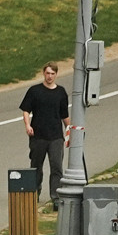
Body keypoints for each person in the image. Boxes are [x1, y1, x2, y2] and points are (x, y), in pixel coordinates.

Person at [17, 63, 71, 193]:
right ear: (43, 73)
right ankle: (35, 192)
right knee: (36, 166)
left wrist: (70, 132)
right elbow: (26, 110)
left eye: (53, 74)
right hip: (38, 136)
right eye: (48, 73)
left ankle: (56, 195)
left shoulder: (61, 92)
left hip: (56, 137)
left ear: (56, 75)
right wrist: (27, 125)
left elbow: (64, 115)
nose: (50, 76)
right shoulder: (35, 91)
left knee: (56, 167)